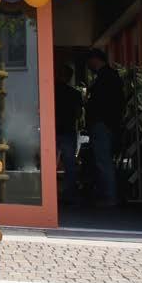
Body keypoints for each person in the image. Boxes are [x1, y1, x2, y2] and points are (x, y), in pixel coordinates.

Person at [84, 49, 123, 207]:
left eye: (89, 62)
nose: (88, 65)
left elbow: (101, 102)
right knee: (103, 160)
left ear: (95, 59)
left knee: (103, 160)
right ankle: (108, 195)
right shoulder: (110, 76)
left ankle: (109, 196)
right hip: (107, 123)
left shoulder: (105, 77)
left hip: (102, 124)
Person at [54, 63, 84, 203]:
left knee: (49, 163)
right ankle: (70, 193)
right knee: (70, 164)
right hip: (68, 130)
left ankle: (49, 193)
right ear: (70, 77)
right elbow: (78, 114)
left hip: (52, 130)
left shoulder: (50, 91)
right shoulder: (75, 94)